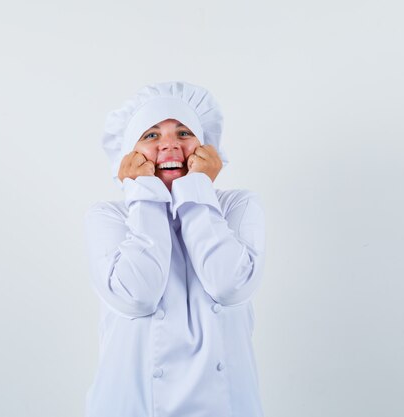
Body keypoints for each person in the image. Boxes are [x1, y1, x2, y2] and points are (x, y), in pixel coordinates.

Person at [83, 81, 267, 417]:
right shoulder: (110, 216)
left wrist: (196, 190)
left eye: (184, 133)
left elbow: (228, 285)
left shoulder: (236, 205)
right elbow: (137, 295)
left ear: (205, 147)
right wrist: (144, 194)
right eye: (151, 135)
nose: (170, 146)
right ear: (129, 152)